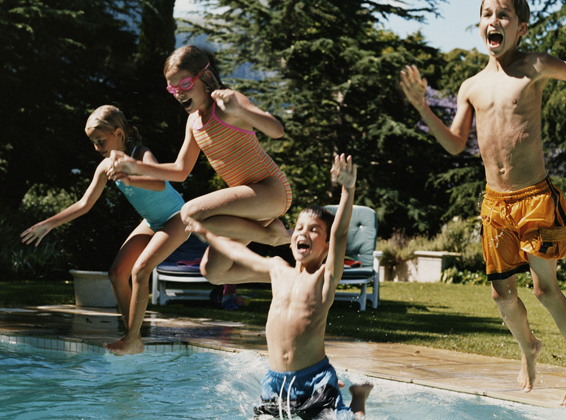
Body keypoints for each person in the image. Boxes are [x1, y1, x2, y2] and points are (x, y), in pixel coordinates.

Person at [399, 0, 566, 408]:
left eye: (504, 16)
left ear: (522, 29)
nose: (493, 22)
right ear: (479, 25)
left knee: (545, 290)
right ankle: (529, 346)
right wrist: (422, 106)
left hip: (535, 198)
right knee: (502, 297)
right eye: (486, 15)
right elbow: (455, 144)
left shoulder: (534, 66)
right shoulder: (471, 87)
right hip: (494, 204)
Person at [186, 154, 372, 419]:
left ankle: (359, 399)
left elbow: (340, 232)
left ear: (327, 247)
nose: (303, 233)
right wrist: (206, 234)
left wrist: (347, 190)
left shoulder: (325, 278)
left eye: (314, 230)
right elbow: (239, 255)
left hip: (314, 379)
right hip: (274, 381)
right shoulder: (276, 268)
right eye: (298, 227)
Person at [110, 45, 291, 310]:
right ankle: (283, 274)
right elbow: (181, 171)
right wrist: (136, 167)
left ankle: (275, 237)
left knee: (190, 213)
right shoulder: (193, 122)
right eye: (173, 88)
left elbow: (276, 130)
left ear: (204, 77)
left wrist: (242, 111)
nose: (178, 93)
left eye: (184, 83)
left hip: (270, 190)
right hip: (248, 206)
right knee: (213, 272)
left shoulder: (229, 104)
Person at [21, 105, 190, 356]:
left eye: (100, 141)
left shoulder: (140, 154)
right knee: (117, 274)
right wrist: (49, 224)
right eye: (93, 143)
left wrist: (129, 175)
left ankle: (131, 338)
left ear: (118, 133)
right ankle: (133, 335)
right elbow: (84, 204)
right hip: (151, 221)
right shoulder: (104, 167)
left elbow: (158, 183)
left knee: (141, 270)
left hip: (177, 217)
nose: (97, 148)